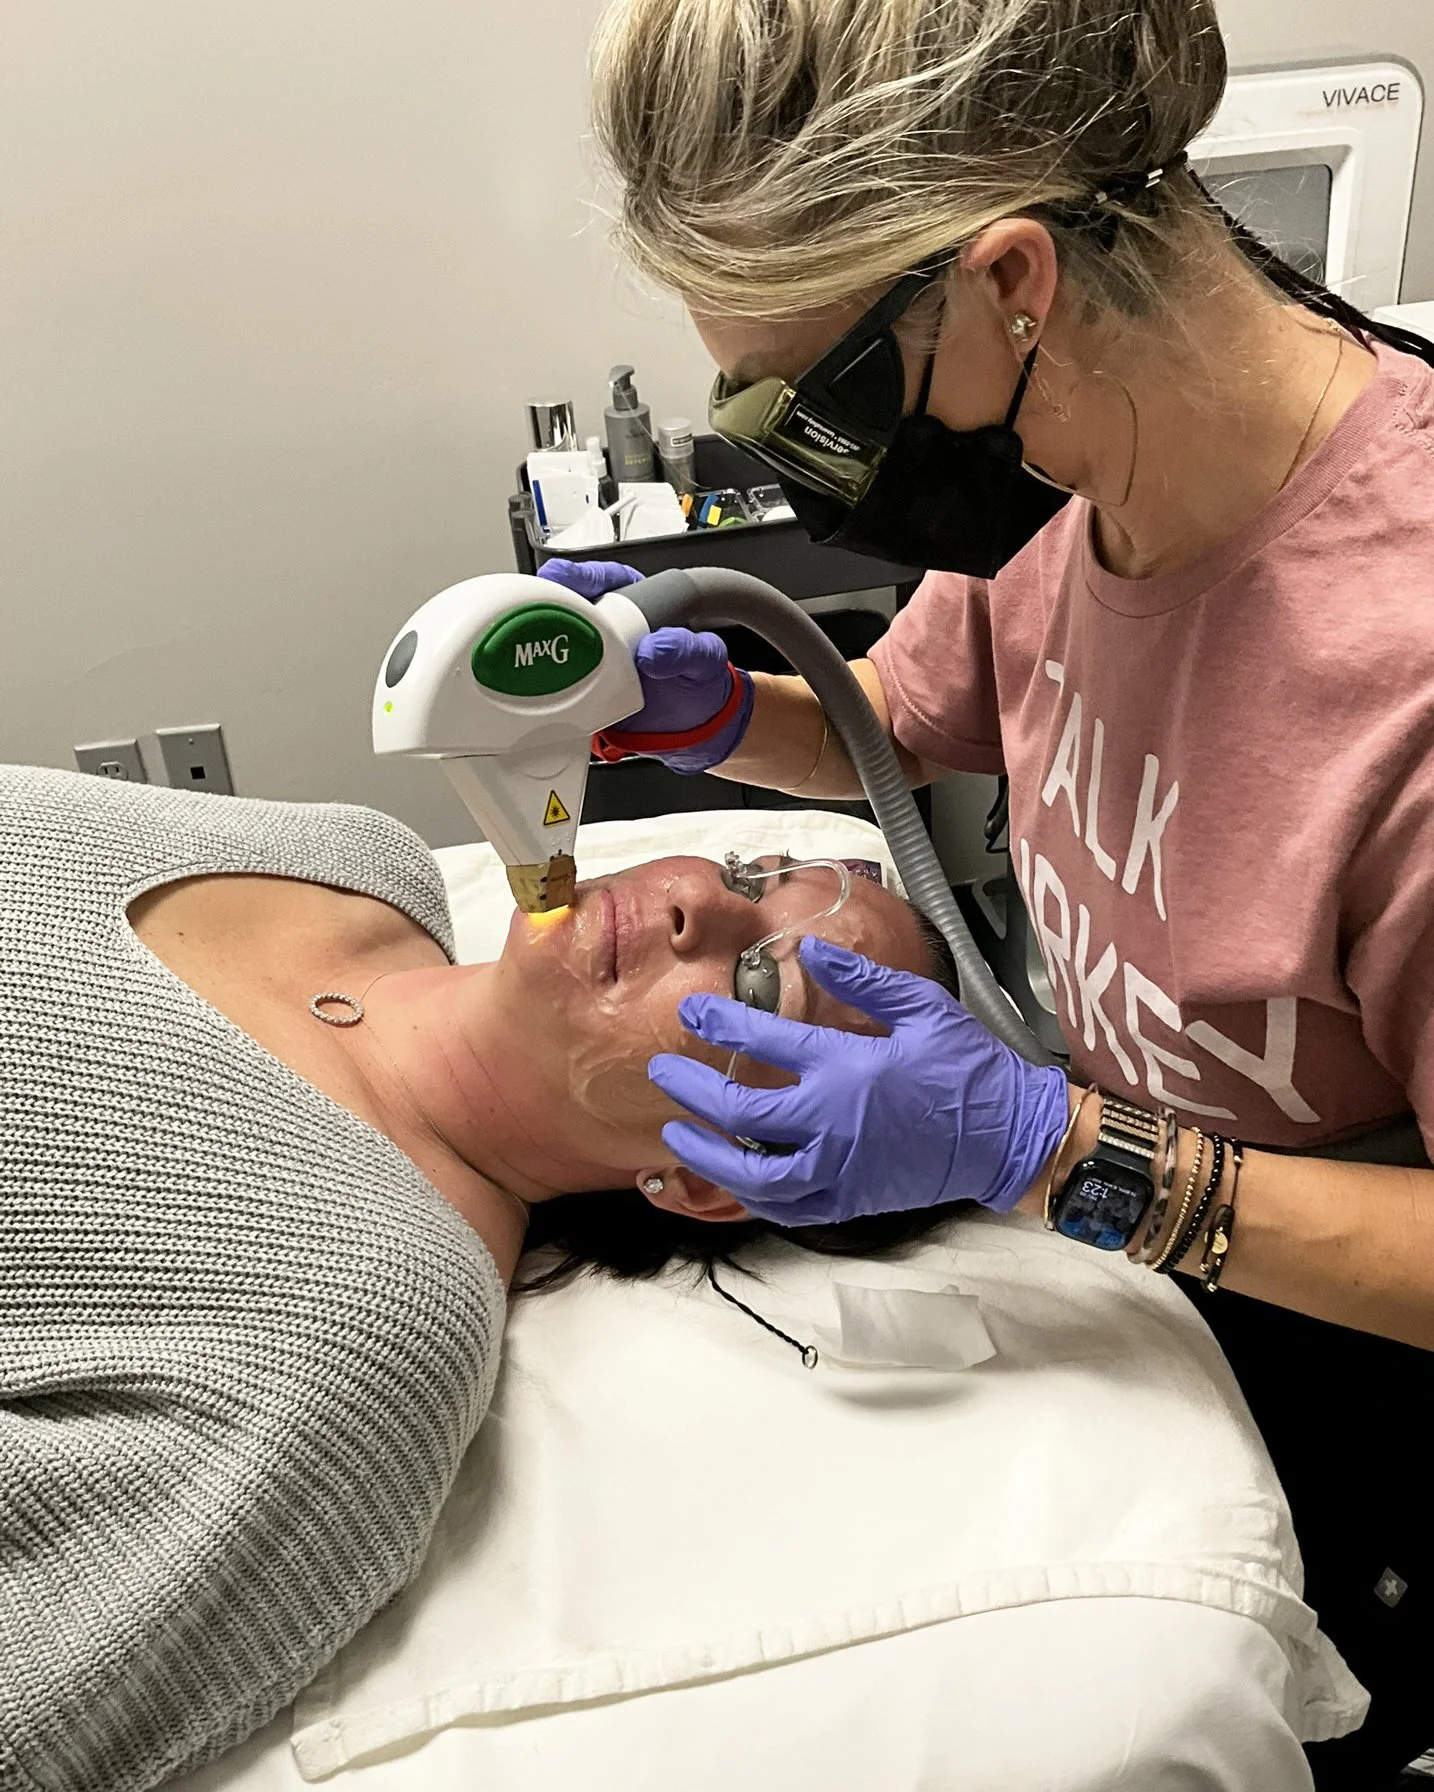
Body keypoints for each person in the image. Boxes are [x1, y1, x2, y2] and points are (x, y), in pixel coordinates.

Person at [530, 1, 1434, 1782]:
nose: (797, 462)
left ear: (1006, 277)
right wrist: (712, 711)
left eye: (811, 401)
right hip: (1169, 1293)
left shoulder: (1394, 674)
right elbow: (915, 722)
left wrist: (1049, 1154)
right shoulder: (1060, 479)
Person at [0, 760, 983, 1792]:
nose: (696, 897)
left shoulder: (367, 1334)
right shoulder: (359, 856)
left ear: (710, 1180)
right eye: (748, 874)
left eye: (757, 985)